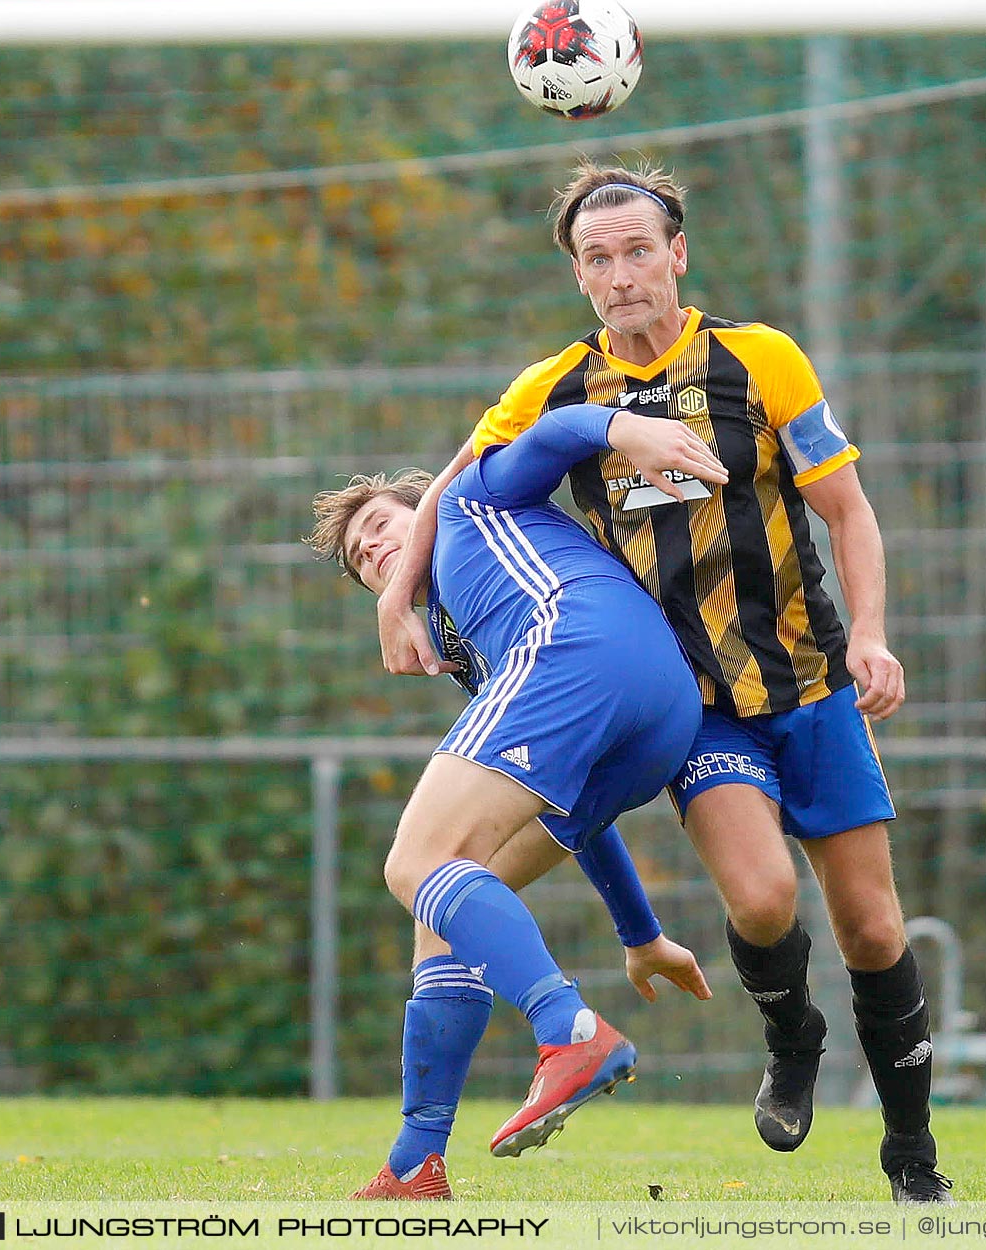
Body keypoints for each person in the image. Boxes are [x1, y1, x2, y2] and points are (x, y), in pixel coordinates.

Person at [375, 162, 953, 1204]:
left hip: (812, 686)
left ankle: (912, 1154)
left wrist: (871, 635)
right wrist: (398, 595)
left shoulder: (759, 360)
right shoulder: (557, 385)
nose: (621, 275)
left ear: (677, 254)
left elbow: (850, 511)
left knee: (871, 925)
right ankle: (792, 1034)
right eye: (597, 260)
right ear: (580, 278)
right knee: (766, 899)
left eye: (638, 251)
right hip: (702, 711)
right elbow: (459, 475)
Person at [309, 403, 727, 1199]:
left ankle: (569, 1029)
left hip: (581, 643)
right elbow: (572, 815)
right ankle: (415, 1160)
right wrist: (641, 934)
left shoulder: (469, 501)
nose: (373, 549)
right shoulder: (476, 637)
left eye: (383, 526)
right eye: (362, 558)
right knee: (444, 900)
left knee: (416, 862)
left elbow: (546, 432)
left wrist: (621, 430)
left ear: (423, 510)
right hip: (658, 715)